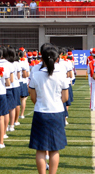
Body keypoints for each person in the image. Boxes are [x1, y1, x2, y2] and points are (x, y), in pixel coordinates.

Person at [29, 45, 69, 174]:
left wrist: (42, 102)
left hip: (41, 112)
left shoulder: (36, 74)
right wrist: (55, 102)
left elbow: (33, 97)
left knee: (40, 149)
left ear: (42, 58)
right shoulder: (61, 74)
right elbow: (65, 97)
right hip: (57, 112)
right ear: (57, 58)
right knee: (54, 149)